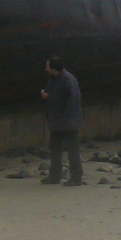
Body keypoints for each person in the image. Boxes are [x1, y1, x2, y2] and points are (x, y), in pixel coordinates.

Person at [40, 56, 84, 186]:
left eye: (47, 67)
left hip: (68, 123)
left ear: (54, 69)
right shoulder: (53, 79)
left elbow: (73, 101)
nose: (45, 69)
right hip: (57, 122)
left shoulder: (69, 80)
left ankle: (76, 178)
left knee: (72, 150)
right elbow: (53, 95)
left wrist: (50, 98)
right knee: (54, 150)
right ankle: (54, 176)